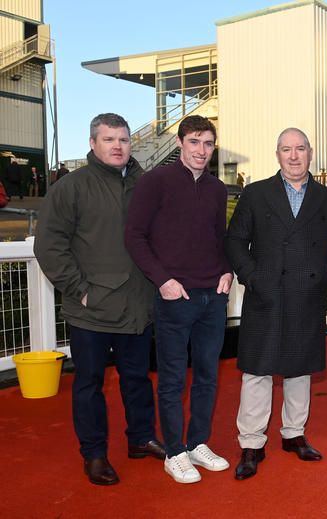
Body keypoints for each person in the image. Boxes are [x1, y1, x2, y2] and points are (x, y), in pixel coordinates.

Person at [224, 127, 327, 480]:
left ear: (310, 153)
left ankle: (293, 434)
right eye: (286, 149)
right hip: (266, 294)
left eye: (300, 149)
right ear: (277, 155)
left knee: (298, 370)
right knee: (257, 372)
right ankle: (252, 443)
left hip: (307, 295)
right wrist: (253, 278)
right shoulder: (256, 194)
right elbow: (234, 242)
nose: (293, 156)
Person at [33, 113, 164, 486]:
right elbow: (49, 245)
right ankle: (93, 454)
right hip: (90, 310)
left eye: (123, 139)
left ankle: (140, 438)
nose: (118, 146)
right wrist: (80, 290)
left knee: (137, 379)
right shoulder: (71, 187)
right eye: (109, 140)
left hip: (138, 306)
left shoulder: (146, 184)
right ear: (93, 144)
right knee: (89, 384)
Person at [125, 115, 232, 483]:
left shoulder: (219, 189)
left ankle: (198, 442)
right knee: (172, 379)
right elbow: (135, 236)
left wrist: (228, 270)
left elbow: (221, 238)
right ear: (180, 144)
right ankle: (174, 451)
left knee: (207, 376)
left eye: (208, 143)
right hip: (175, 297)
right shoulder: (155, 182)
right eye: (194, 142)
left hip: (213, 299)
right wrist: (163, 280)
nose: (201, 150)